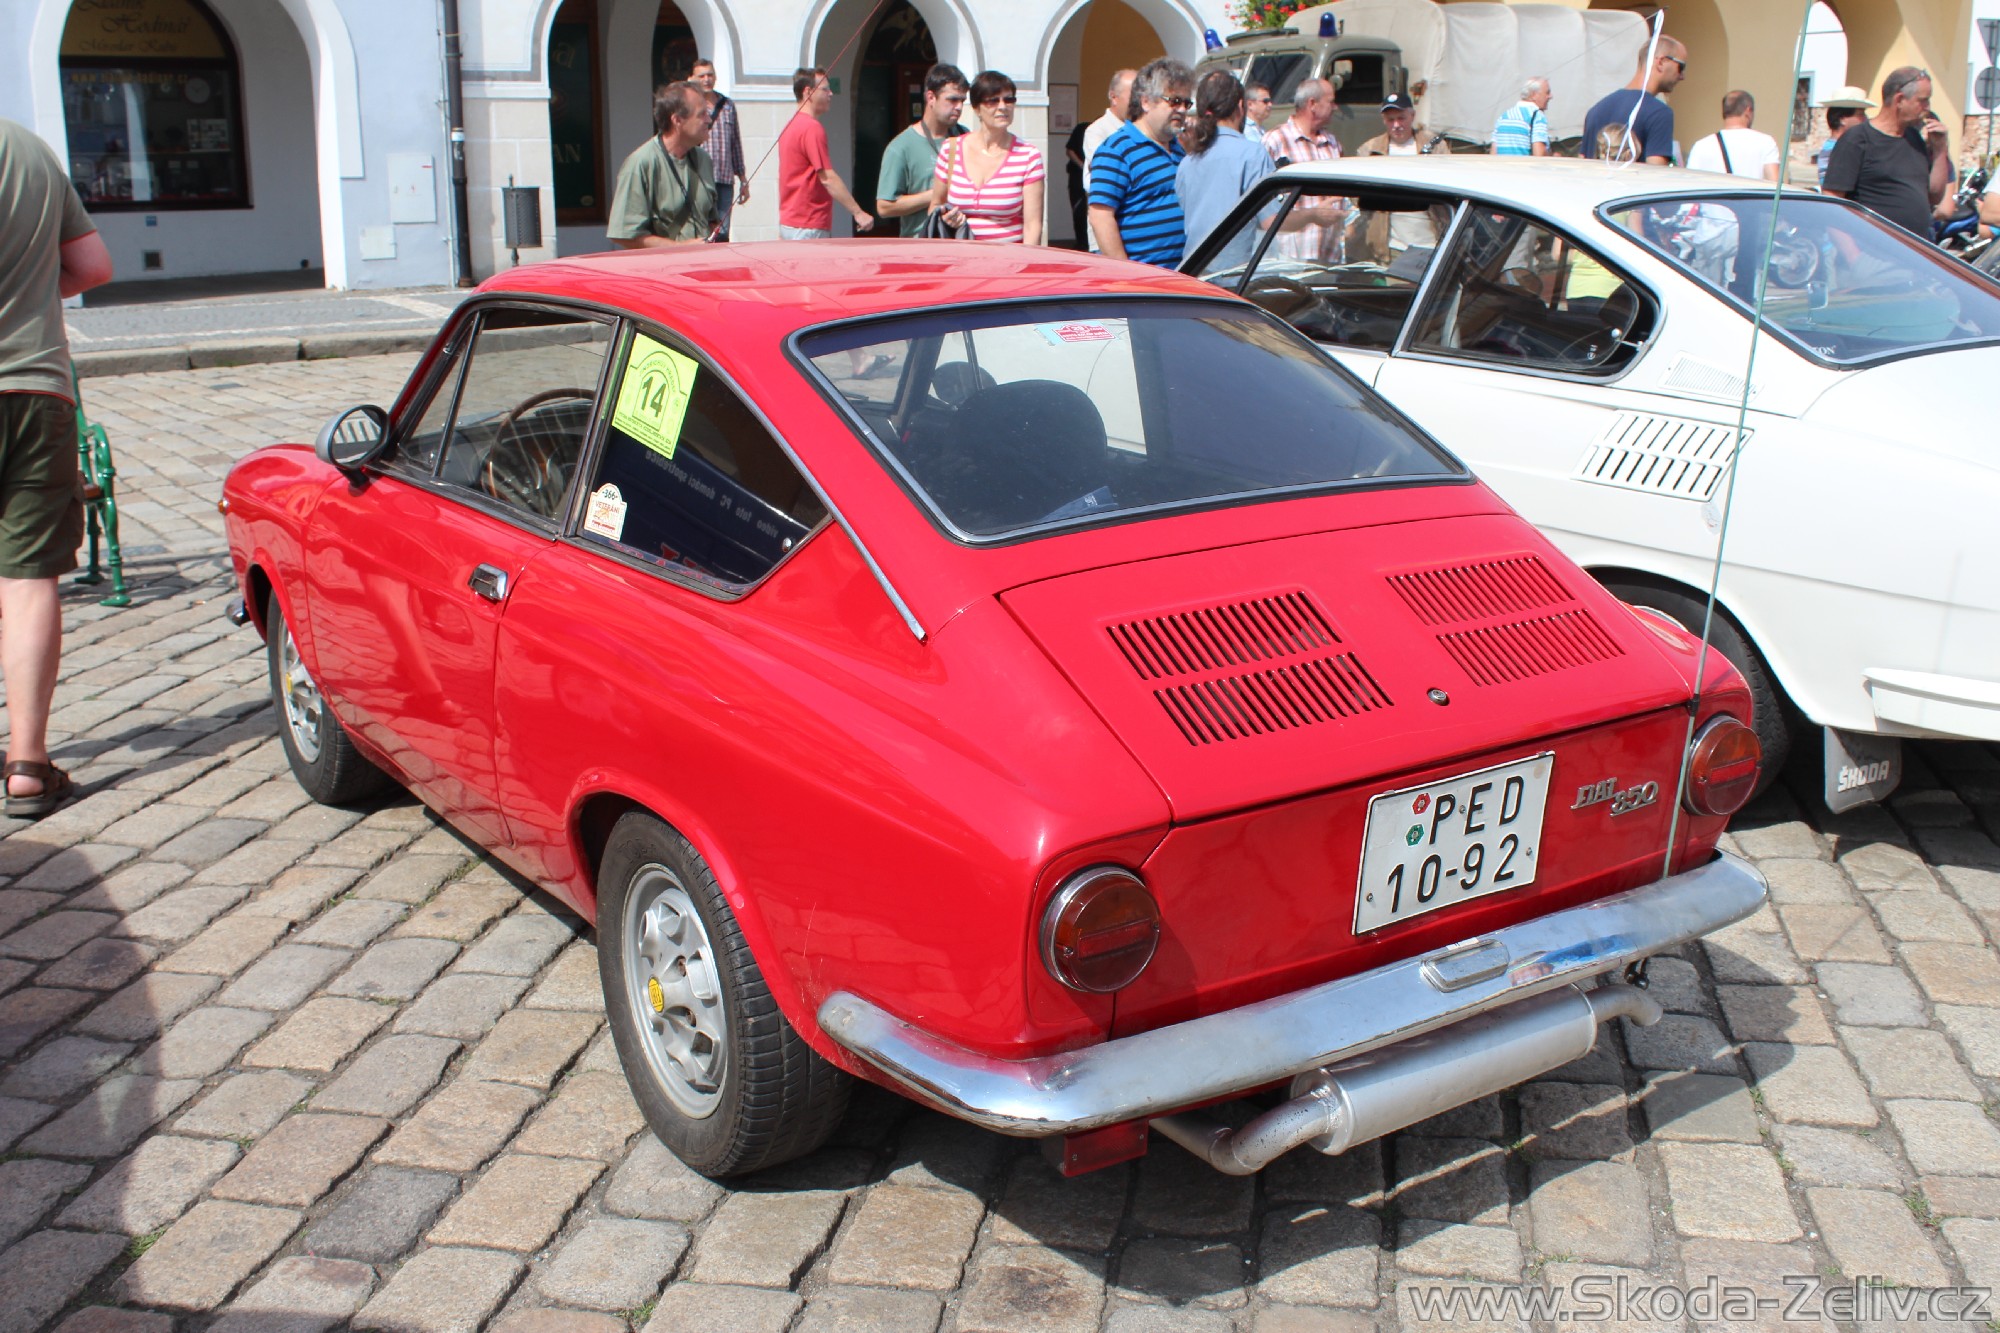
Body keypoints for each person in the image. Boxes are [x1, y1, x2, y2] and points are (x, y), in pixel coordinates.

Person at [0, 117, 114, 819]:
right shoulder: (27, 151)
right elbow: (93, 267)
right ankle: (27, 765)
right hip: (35, 387)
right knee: (27, 580)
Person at [1823, 66, 1950, 238]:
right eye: (1922, 101)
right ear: (1899, 100)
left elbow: (1934, 196)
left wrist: (1940, 149)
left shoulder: (1914, 138)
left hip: (1913, 247)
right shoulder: (1857, 139)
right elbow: (1833, 204)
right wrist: (1853, 253)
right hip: (1871, 248)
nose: (1927, 107)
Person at [1089, 57, 1193, 266]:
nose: (1182, 109)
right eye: (1174, 101)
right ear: (1146, 102)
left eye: (1186, 103)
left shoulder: (1178, 149)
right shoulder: (1117, 150)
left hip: (1183, 274)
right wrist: (1124, 273)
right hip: (1143, 278)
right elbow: (1100, 216)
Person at [931, 70, 1044, 244]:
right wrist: (946, 217)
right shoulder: (950, 150)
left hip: (1008, 257)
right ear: (977, 108)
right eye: (993, 100)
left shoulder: (1028, 156)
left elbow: (1032, 225)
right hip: (958, 255)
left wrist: (1028, 259)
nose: (1003, 106)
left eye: (1009, 100)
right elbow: (936, 204)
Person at [1176, 69, 1275, 264]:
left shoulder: (1187, 162)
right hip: (1234, 273)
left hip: (1194, 270)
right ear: (1240, 106)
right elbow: (1271, 221)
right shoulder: (1253, 154)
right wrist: (1312, 216)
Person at [606, 82, 719, 247]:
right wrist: (680, 248)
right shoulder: (641, 163)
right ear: (677, 120)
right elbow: (624, 235)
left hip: (704, 261)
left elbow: (711, 219)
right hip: (662, 263)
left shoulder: (703, 159)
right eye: (701, 114)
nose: (709, 120)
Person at [778, 67, 873, 238]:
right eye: (825, 89)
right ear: (808, 92)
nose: (831, 94)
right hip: (808, 224)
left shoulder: (790, 125)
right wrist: (858, 213)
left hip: (790, 223)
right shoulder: (811, 128)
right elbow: (828, 178)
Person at [876, 63, 968, 236]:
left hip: (960, 242)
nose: (959, 107)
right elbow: (884, 207)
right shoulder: (901, 147)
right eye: (952, 100)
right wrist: (936, 195)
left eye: (962, 101)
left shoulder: (966, 138)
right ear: (931, 97)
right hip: (921, 243)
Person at [1356, 95, 1453, 256]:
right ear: (1383, 120)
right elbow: (1357, 197)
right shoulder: (1370, 151)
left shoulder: (1436, 148)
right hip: (1392, 246)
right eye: (1390, 120)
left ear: (1412, 116)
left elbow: (1452, 187)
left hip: (1432, 243)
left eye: (1401, 118)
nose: (1396, 125)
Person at [1263, 77, 1345, 262]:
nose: (1335, 107)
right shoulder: (1276, 141)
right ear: (1312, 104)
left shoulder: (1332, 143)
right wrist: (1312, 215)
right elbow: (1263, 208)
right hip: (1290, 260)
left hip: (1330, 259)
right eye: (1331, 102)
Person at [1582, 33, 1686, 164]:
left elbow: (1583, 164)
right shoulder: (1659, 114)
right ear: (1661, 62)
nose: (1682, 76)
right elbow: (1656, 172)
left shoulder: (1595, 112)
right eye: (1681, 67)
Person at [690, 59, 747, 240]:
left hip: (724, 178)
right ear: (694, 78)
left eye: (710, 75)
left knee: (722, 230)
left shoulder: (727, 105)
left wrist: (742, 178)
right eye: (701, 76)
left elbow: (735, 143)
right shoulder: (692, 106)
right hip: (699, 178)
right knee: (703, 228)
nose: (706, 79)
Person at [1081, 68, 1136, 250]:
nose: (1140, 101)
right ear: (1114, 97)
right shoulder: (1097, 131)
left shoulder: (1142, 130)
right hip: (1106, 237)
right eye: (1133, 94)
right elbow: (1110, 174)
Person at [1686, 90, 1780, 181]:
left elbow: (1690, 183)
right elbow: (1775, 183)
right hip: (1751, 192)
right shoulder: (1765, 142)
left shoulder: (1701, 146)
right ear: (1748, 110)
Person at [1815, 88, 1875, 186]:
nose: (1865, 119)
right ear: (1842, 119)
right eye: (1860, 115)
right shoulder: (1837, 149)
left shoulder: (1839, 146)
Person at [1492, 76, 1552, 157]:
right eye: (1547, 93)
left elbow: (1493, 153)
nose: (1550, 96)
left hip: (1502, 165)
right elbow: (1539, 155)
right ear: (1534, 95)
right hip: (1524, 165)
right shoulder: (1536, 116)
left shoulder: (1503, 117)